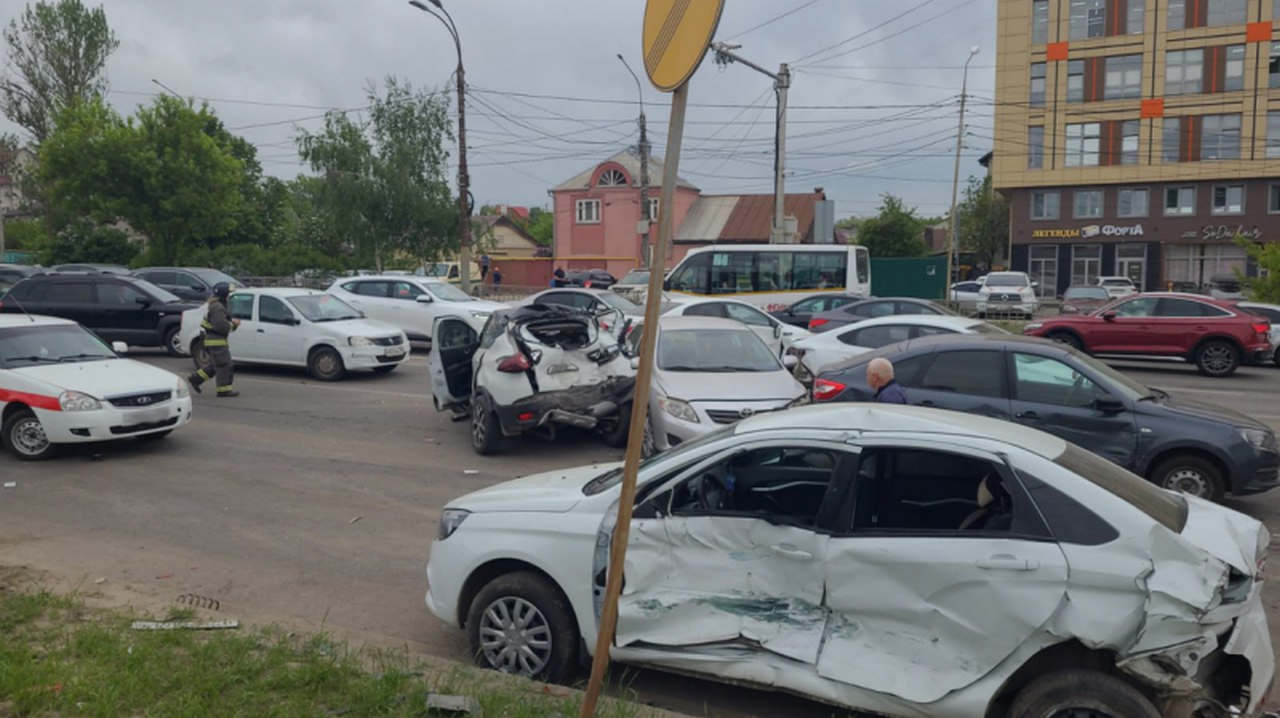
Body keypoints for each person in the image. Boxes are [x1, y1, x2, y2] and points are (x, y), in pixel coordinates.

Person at [187, 282, 240, 397]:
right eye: (228, 293)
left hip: (214, 340)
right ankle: (223, 390)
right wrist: (234, 325)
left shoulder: (218, 305)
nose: (229, 296)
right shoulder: (218, 307)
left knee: (216, 365)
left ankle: (195, 379)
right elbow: (221, 326)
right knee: (225, 365)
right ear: (223, 294)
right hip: (216, 341)